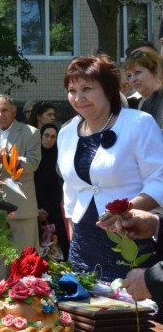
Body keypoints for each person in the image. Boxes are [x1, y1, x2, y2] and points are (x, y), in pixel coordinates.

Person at [59, 55, 163, 281]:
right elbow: (70, 191)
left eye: (87, 88)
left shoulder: (139, 123)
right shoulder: (66, 133)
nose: (79, 98)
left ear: (108, 89)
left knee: (130, 311)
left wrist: (125, 210)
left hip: (130, 235)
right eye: (72, 90)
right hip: (83, 243)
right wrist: (72, 234)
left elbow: (159, 179)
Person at [0, 94, 41, 251]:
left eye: (5, 110)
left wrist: (8, 158)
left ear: (14, 111)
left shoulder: (31, 133)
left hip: (21, 205)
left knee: (25, 258)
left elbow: (33, 163)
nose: (0, 114)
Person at [33, 123, 69, 260]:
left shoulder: (59, 158)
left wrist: (46, 209)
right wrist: (36, 209)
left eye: (53, 137)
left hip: (52, 210)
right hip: (34, 208)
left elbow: (59, 187)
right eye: (46, 135)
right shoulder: (34, 157)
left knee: (57, 246)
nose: (49, 139)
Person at [124, 46, 163, 129]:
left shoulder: (160, 100)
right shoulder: (130, 104)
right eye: (129, 75)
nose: (133, 79)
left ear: (154, 71)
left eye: (138, 72)